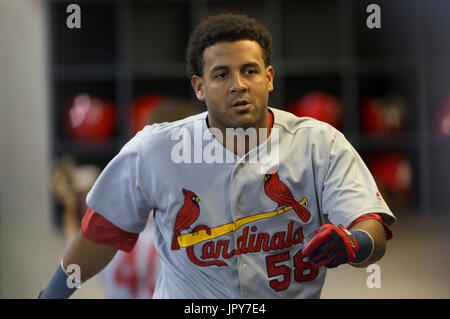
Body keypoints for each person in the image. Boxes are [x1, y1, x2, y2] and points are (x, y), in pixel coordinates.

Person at [39, 13, 395, 299]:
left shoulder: (321, 144)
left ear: (269, 78)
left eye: (250, 71)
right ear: (199, 86)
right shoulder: (155, 149)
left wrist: (355, 242)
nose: (238, 84)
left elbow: (370, 225)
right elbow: (101, 233)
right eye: (221, 74)